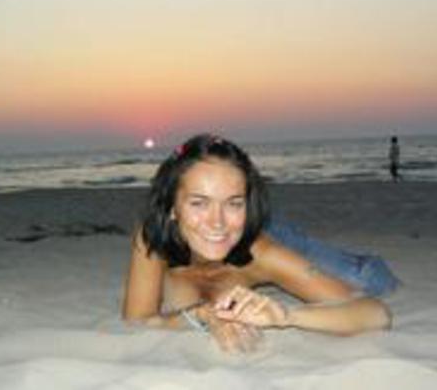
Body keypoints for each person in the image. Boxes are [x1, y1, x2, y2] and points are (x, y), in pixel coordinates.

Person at [122, 134, 397, 353]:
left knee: (368, 278)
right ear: (171, 207)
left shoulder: (262, 253)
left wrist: (286, 316)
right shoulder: (153, 237)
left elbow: (377, 315)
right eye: (199, 203)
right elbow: (137, 321)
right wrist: (200, 317)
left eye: (234, 203)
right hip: (241, 231)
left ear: (248, 204)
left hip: (260, 233)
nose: (217, 221)